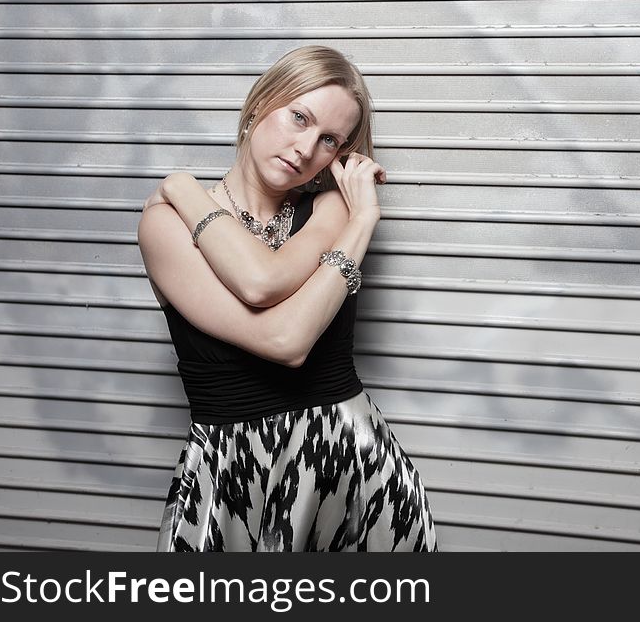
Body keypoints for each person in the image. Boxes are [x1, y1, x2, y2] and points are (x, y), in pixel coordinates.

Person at [137, 45, 437, 552]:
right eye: (299, 117)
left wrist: (362, 218)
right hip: (234, 476)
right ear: (259, 104)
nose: (305, 147)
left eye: (328, 140)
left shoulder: (332, 210)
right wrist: (184, 192)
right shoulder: (164, 226)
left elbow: (275, 311)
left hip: (352, 471)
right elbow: (270, 310)